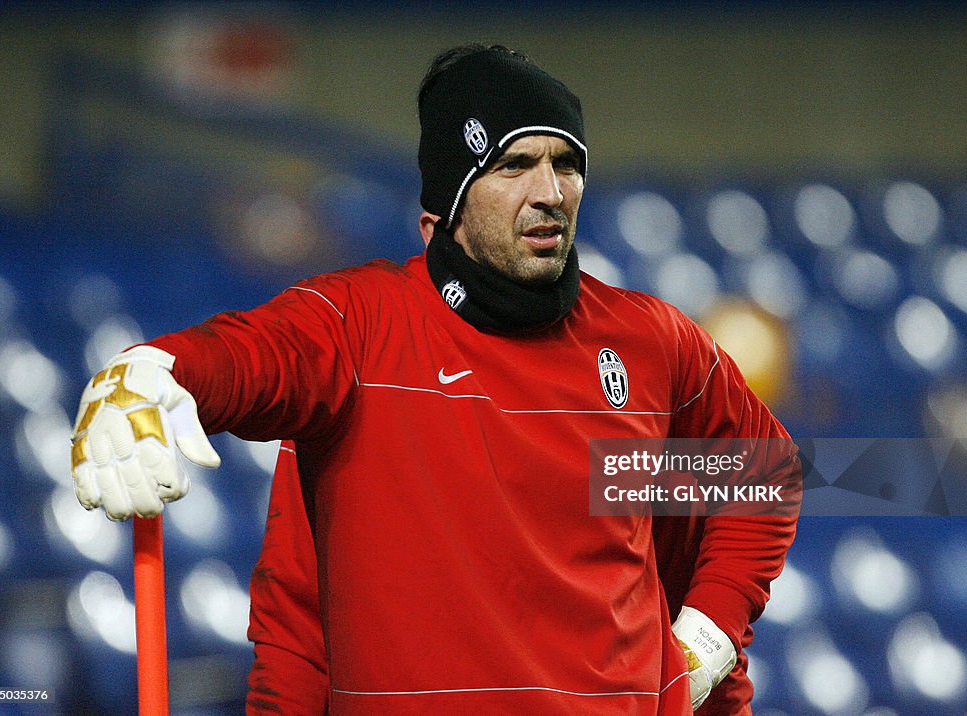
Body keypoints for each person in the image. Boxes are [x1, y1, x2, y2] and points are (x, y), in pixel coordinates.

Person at [70, 43, 799, 714]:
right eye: (513, 166)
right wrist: (154, 369)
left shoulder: (650, 341)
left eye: (566, 164)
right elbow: (249, 357)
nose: (551, 192)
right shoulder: (358, 328)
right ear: (448, 201)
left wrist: (709, 634)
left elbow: (760, 473)